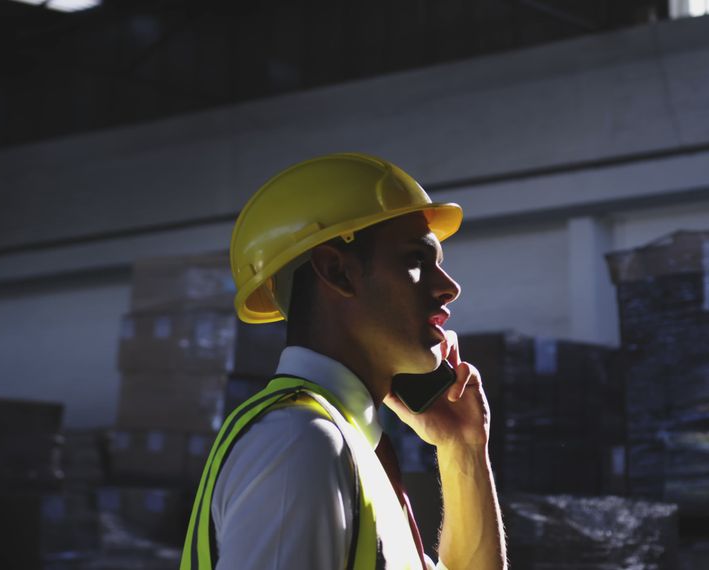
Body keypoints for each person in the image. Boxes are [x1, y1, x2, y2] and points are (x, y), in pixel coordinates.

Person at [181, 152, 506, 570]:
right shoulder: (301, 444)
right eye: (416, 260)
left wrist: (463, 448)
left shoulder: (348, 445)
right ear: (337, 271)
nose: (450, 288)